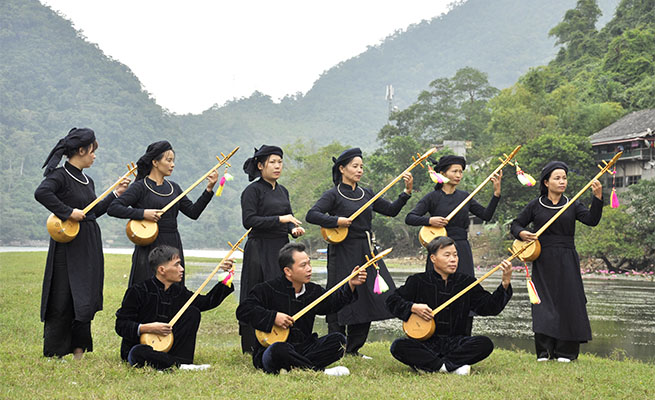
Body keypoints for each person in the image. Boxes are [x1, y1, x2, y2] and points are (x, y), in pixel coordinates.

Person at [305, 147, 413, 358]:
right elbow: (312, 214)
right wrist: (337, 221)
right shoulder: (333, 194)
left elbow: (391, 210)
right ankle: (336, 346)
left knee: (367, 297)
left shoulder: (367, 193)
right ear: (342, 168)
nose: (359, 170)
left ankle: (353, 349)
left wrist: (406, 193)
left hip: (366, 250)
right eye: (355, 166)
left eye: (361, 167)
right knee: (339, 294)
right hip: (342, 250)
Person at [35, 127, 129, 359]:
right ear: (81, 150)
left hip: (88, 244)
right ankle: (55, 352)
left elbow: (93, 211)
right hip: (66, 245)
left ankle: (79, 351)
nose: (94, 155)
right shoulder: (59, 176)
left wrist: (116, 194)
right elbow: (42, 193)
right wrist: (68, 212)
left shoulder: (88, 180)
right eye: (92, 151)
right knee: (63, 295)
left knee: (85, 297)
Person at [510, 161, 603, 362]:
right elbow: (515, 224)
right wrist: (523, 233)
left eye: (564, 178)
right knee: (543, 303)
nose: (562, 182)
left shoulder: (573, 203)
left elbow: (592, 220)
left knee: (569, 301)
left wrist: (597, 198)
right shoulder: (535, 205)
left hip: (567, 258)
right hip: (543, 258)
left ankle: (566, 352)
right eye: (557, 178)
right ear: (546, 182)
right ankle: (544, 352)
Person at [386, 236, 513, 375]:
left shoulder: (467, 282)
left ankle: (434, 365)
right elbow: (392, 301)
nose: (453, 259)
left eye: (455, 255)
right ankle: (449, 367)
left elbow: (490, 307)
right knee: (398, 346)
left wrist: (505, 284)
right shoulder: (417, 281)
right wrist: (413, 307)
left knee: (485, 343)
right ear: (433, 258)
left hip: (456, 343)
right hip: (426, 342)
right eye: (447, 255)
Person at [236, 242, 367, 375]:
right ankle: (319, 371)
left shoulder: (313, 291)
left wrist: (351, 284)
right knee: (278, 350)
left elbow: (332, 303)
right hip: (273, 348)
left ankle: (293, 367)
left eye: (309, 264)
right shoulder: (266, 289)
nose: (309, 269)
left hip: (304, 347)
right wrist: (273, 317)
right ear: (288, 271)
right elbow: (244, 310)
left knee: (338, 341)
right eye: (303, 265)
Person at [108, 141, 218, 287]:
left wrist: (209, 189)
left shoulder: (174, 188)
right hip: (149, 244)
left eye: (173, 161)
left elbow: (193, 212)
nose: (172, 164)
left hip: (173, 242)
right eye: (168, 160)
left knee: (173, 290)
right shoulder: (140, 187)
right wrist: (142, 213)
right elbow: (114, 208)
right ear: (155, 162)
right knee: (148, 287)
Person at [115, 245, 234, 370]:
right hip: (141, 345)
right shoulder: (138, 291)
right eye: (176, 265)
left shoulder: (179, 292)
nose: (181, 269)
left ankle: (181, 363)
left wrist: (226, 278)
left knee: (192, 312)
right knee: (137, 353)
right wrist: (148, 328)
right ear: (162, 270)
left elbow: (206, 302)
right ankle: (177, 365)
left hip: (168, 347)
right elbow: (121, 325)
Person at [239, 145, 305, 354]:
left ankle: (280, 337)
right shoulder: (252, 191)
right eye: (273, 162)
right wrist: (280, 219)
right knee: (258, 291)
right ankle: (252, 344)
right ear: (260, 166)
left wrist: (293, 228)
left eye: (280, 162)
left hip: (281, 247)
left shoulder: (283, 190)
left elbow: (289, 218)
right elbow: (249, 221)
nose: (277, 166)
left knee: (281, 291)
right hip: (259, 247)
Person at [405, 154, 502, 277]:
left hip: (461, 248)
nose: (458, 175)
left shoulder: (465, 197)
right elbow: (410, 218)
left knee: (464, 286)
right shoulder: (432, 197)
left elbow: (486, 215)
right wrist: (430, 220)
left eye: (460, 172)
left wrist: (496, 194)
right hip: (439, 248)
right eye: (454, 171)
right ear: (443, 173)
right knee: (437, 287)